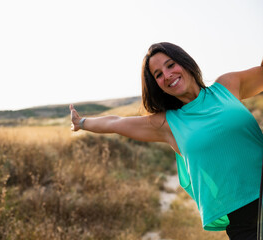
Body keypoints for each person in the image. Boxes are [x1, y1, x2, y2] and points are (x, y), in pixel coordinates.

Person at [69, 42, 263, 240]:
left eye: (170, 65)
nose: (167, 75)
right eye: (158, 74)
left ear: (185, 62)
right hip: (245, 224)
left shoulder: (227, 85)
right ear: (157, 84)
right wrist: (82, 122)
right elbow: (116, 122)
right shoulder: (167, 124)